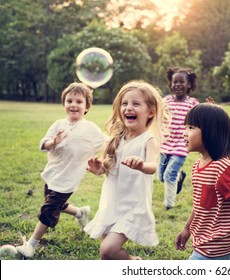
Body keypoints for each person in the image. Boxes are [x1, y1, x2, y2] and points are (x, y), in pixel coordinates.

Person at [16, 82, 106, 258]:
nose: (73, 105)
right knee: (58, 204)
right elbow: (44, 143)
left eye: (79, 102)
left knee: (48, 209)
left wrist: (120, 141)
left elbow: (105, 142)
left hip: (68, 179)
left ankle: (31, 245)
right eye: (69, 100)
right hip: (52, 175)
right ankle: (81, 212)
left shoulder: (90, 129)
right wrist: (54, 142)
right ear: (64, 103)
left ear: (87, 107)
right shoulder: (58, 124)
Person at [84, 80, 169, 260]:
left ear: (150, 112)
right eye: (124, 103)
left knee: (108, 249)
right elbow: (109, 169)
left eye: (136, 104)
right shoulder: (117, 139)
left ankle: (133, 262)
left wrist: (141, 165)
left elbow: (152, 166)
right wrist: (98, 169)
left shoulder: (148, 140)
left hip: (133, 207)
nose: (128, 108)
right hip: (111, 204)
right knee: (106, 256)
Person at [175, 103, 230, 260]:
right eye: (185, 127)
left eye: (191, 127)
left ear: (211, 132)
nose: (184, 133)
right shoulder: (197, 166)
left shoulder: (223, 167)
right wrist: (187, 228)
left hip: (216, 244)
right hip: (203, 241)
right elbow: (201, 203)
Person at [158, 67, 199, 210]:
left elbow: (201, 117)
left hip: (182, 145)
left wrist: (209, 107)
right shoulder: (166, 101)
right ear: (171, 84)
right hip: (165, 143)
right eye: (175, 82)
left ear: (189, 84)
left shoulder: (192, 103)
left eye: (182, 82)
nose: (178, 85)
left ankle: (169, 204)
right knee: (161, 177)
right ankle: (180, 177)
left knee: (169, 174)